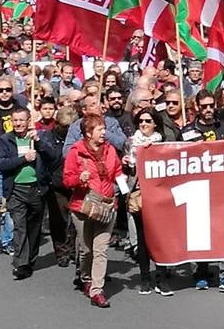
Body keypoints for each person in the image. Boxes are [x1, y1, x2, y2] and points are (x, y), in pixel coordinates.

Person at [63, 114, 123, 307]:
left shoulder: (110, 150)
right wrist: (79, 178)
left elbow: (118, 172)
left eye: (104, 128)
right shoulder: (76, 152)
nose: (104, 132)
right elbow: (67, 180)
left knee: (100, 250)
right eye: (99, 129)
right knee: (87, 250)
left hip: (106, 206)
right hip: (83, 206)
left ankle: (97, 290)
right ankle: (86, 278)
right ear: (88, 133)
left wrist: (125, 190)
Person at [0, 108, 61, 280]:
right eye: (15, 120)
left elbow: (53, 157)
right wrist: (24, 159)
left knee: (34, 228)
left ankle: (30, 260)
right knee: (19, 227)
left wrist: (38, 143)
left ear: (28, 120)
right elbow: (1, 164)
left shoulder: (40, 136)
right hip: (16, 189)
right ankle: (21, 264)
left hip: (36, 189)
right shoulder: (6, 139)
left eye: (21, 120)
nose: (18, 124)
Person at [125, 107, 174, 296]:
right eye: (141, 121)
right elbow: (126, 172)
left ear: (155, 123)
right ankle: (145, 278)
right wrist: (127, 165)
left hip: (159, 196)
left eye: (148, 121)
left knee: (160, 238)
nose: (144, 124)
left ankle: (161, 279)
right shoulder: (131, 143)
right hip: (139, 195)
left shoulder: (163, 145)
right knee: (143, 239)